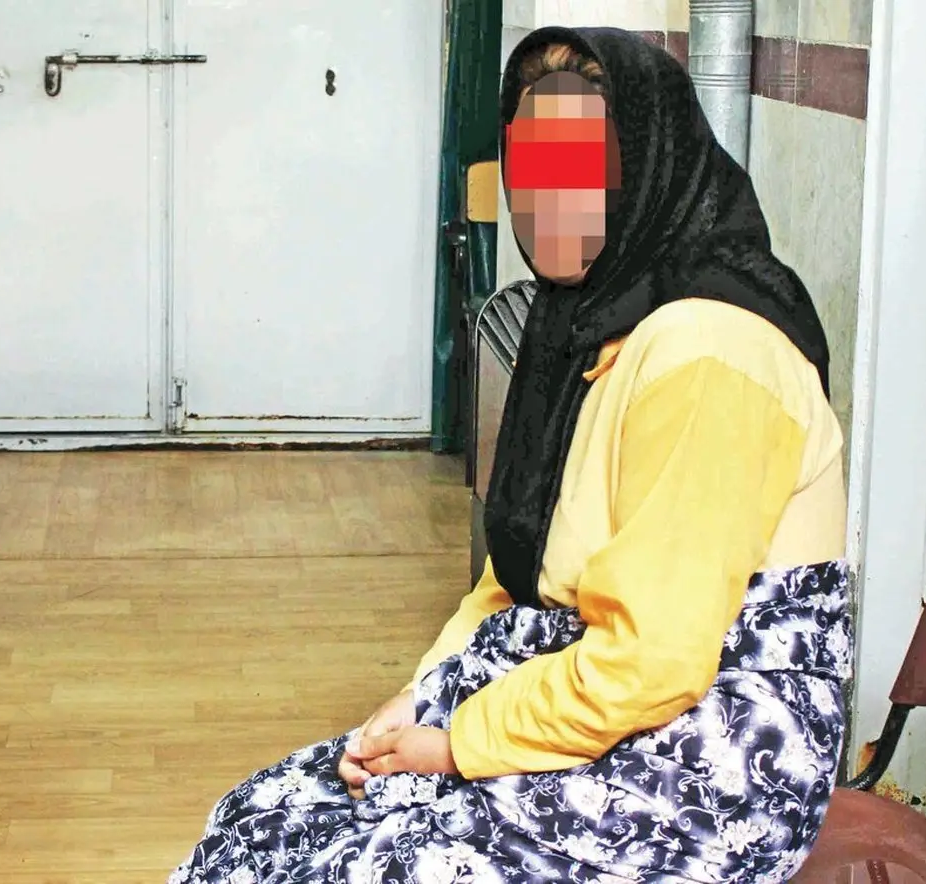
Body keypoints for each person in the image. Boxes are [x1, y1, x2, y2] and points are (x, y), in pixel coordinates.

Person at [167, 24, 851, 884]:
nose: (546, 200)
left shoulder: (709, 352)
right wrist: (420, 697)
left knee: (366, 868)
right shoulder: (584, 321)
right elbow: (516, 570)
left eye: (581, 168)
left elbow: (654, 663)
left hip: (700, 760)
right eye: (531, 167)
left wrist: (456, 743)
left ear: (646, 168)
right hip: (587, 696)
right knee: (261, 821)